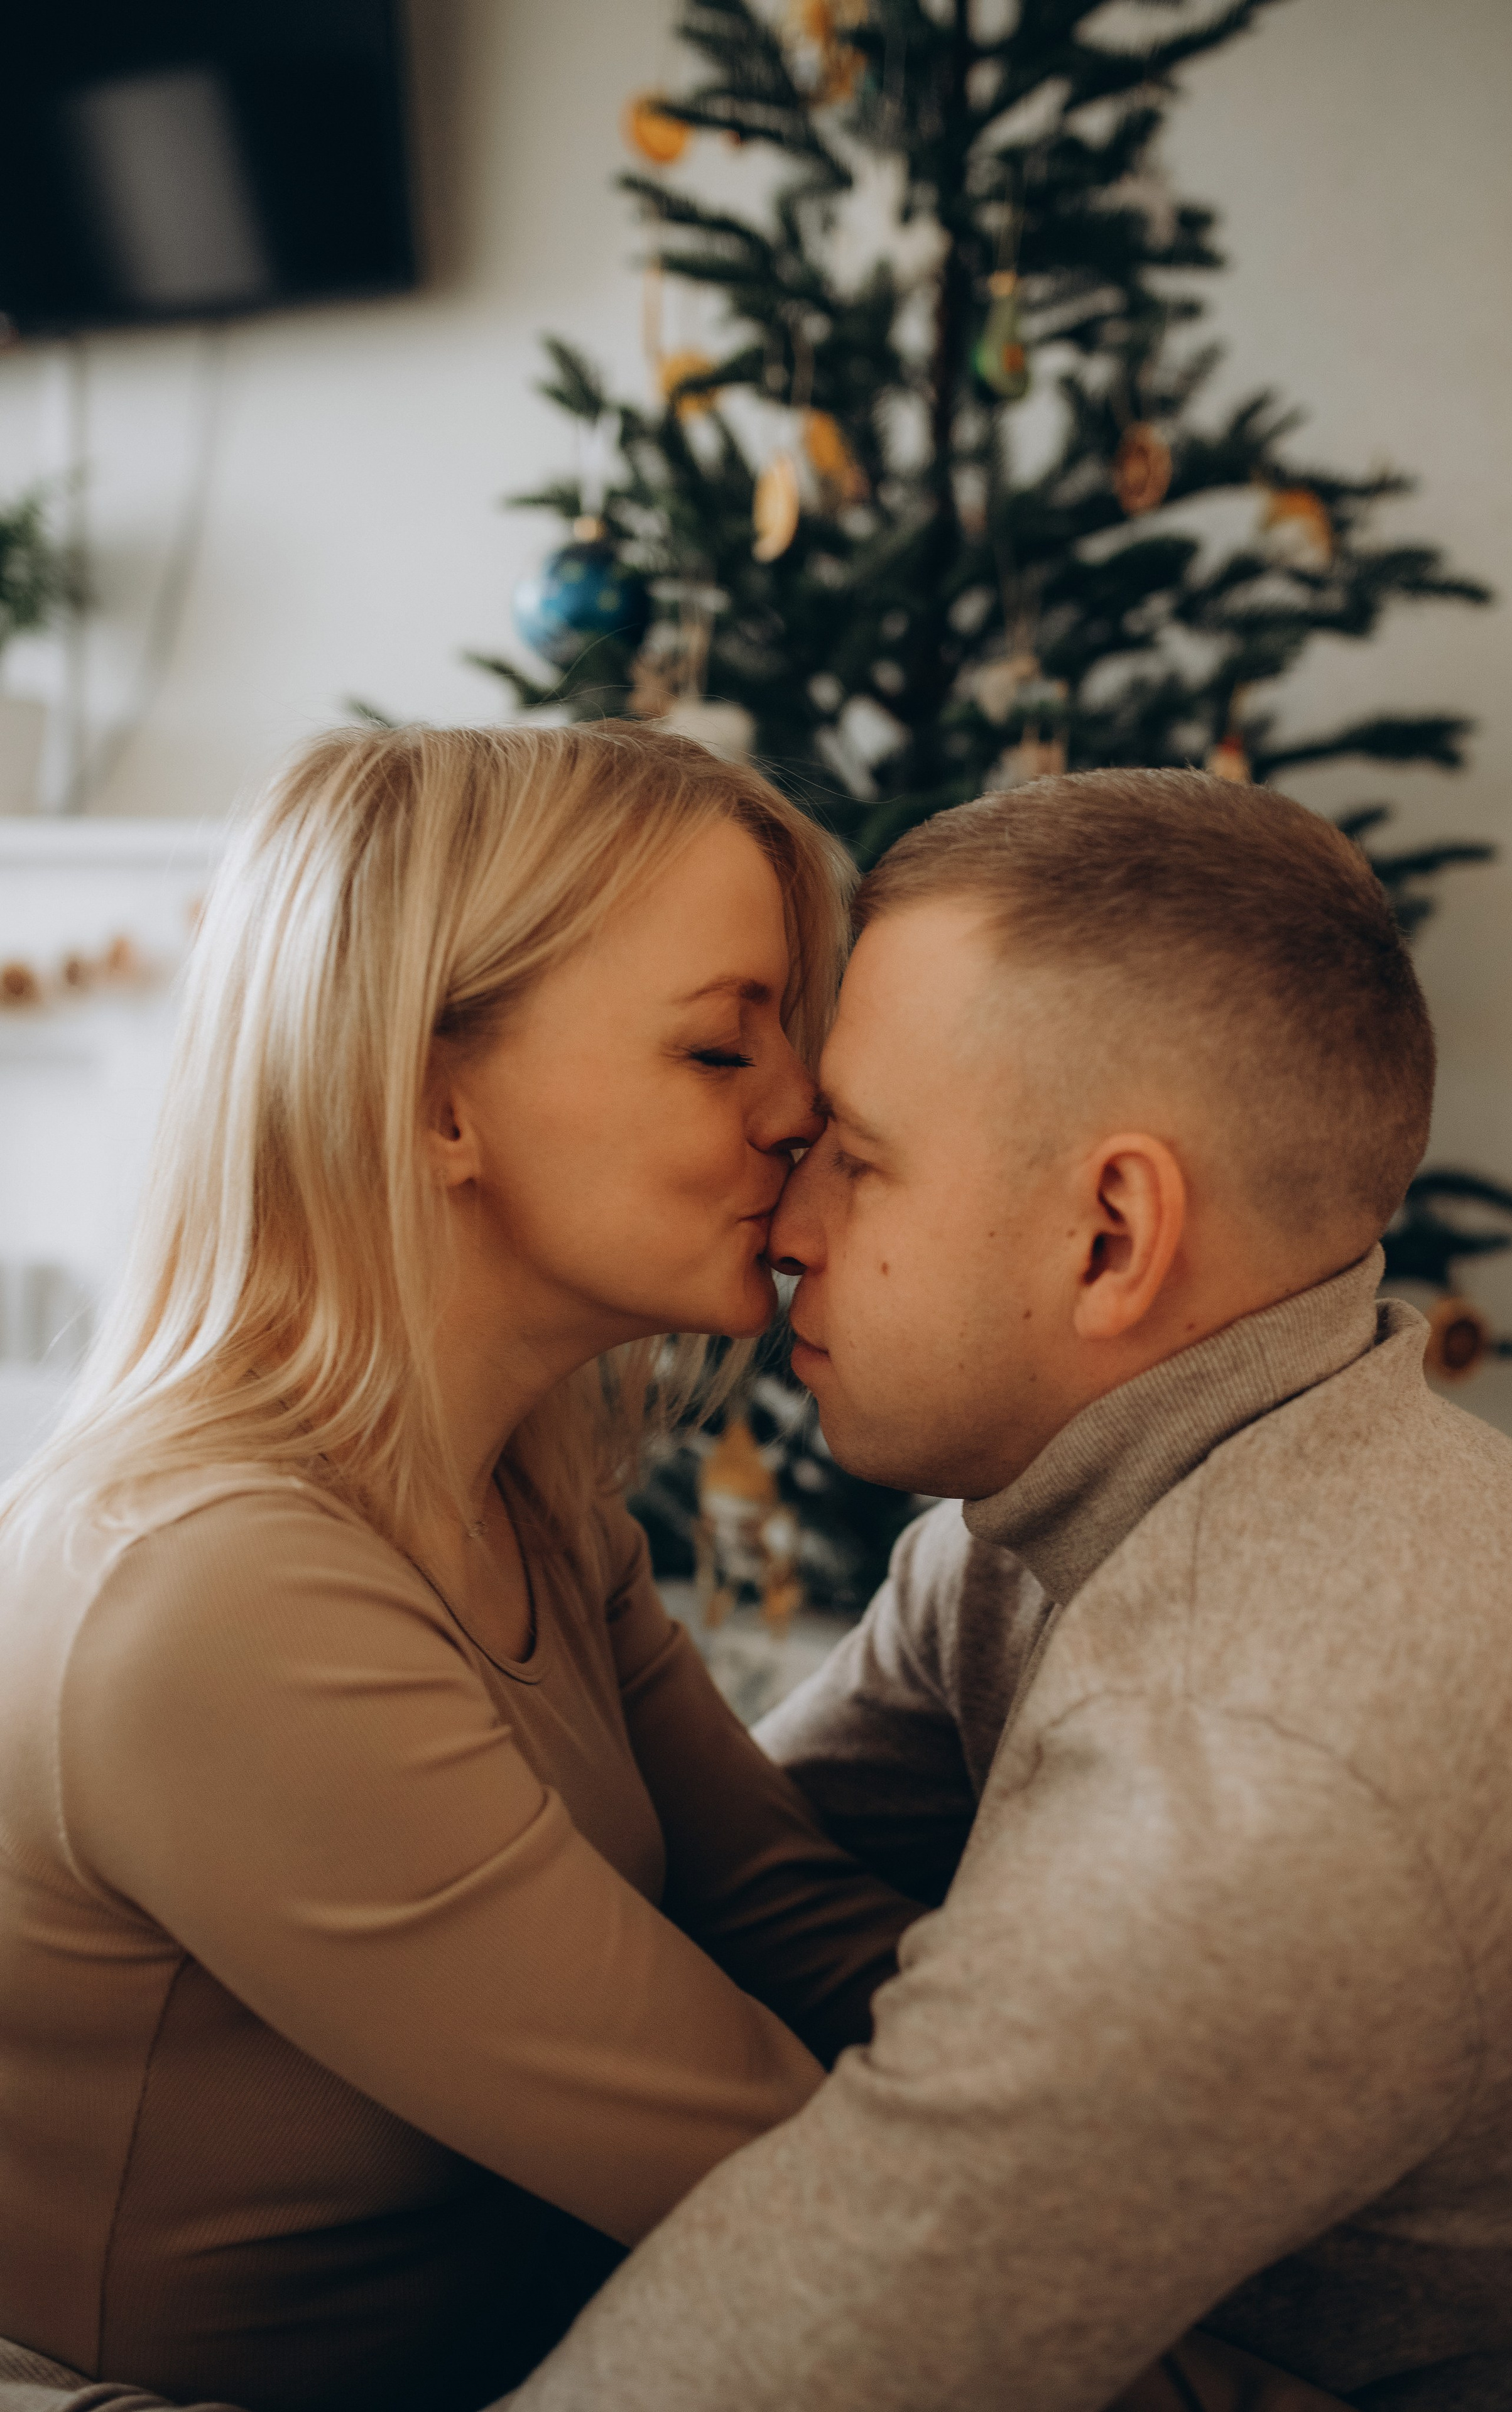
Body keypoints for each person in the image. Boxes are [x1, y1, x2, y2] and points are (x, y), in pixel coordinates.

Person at [506, 770, 1512, 2412]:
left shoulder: (1256, 1782)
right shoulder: (1035, 1519)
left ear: (1111, 1233)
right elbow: (733, 1883)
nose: (785, 1223)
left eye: (858, 1162)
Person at [0, 722, 921, 2412]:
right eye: (727, 1049)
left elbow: (788, 1923)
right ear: (433, 1102)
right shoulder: (222, 1603)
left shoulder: (534, 1494)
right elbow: (798, 2195)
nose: (808, 1109)